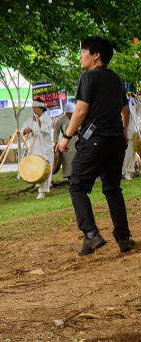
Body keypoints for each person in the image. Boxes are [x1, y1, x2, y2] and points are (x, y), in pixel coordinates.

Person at [56, 36, 135, 255]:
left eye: (83, 51)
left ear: (96, 54)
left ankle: (91, 234)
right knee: (112, 188)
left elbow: (80, 111)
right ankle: (124, 238)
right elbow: (125, 110)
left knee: (77, 186)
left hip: (95, 141)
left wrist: (66, 136)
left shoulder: (87, 77)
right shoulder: (117, 78)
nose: (80, 55)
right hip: (116, 141)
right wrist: (123, 133)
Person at [22, 103, 54, 199]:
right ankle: (39, 188)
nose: (34, 110)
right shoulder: (30, 120)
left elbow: (47, 130)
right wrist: (25, 130)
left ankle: (42, 191)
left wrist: (39, 122)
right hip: (34, 148)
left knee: (44, 169)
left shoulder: (47, 119)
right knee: (36, 169)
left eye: (36, 108)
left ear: (41, 108)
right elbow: (23, 129)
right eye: (33, 108)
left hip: (45, 149)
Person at [52, 102, 78, 179]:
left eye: (71, 113)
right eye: (67, 113)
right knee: (67, 161)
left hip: (77, 141)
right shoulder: (62, 119)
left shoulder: (78, 117)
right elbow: (56, 130)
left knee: (77, 160)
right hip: (66, 143)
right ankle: (69, 175)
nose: (69, 115)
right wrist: (55, 141)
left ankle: (77, 175)